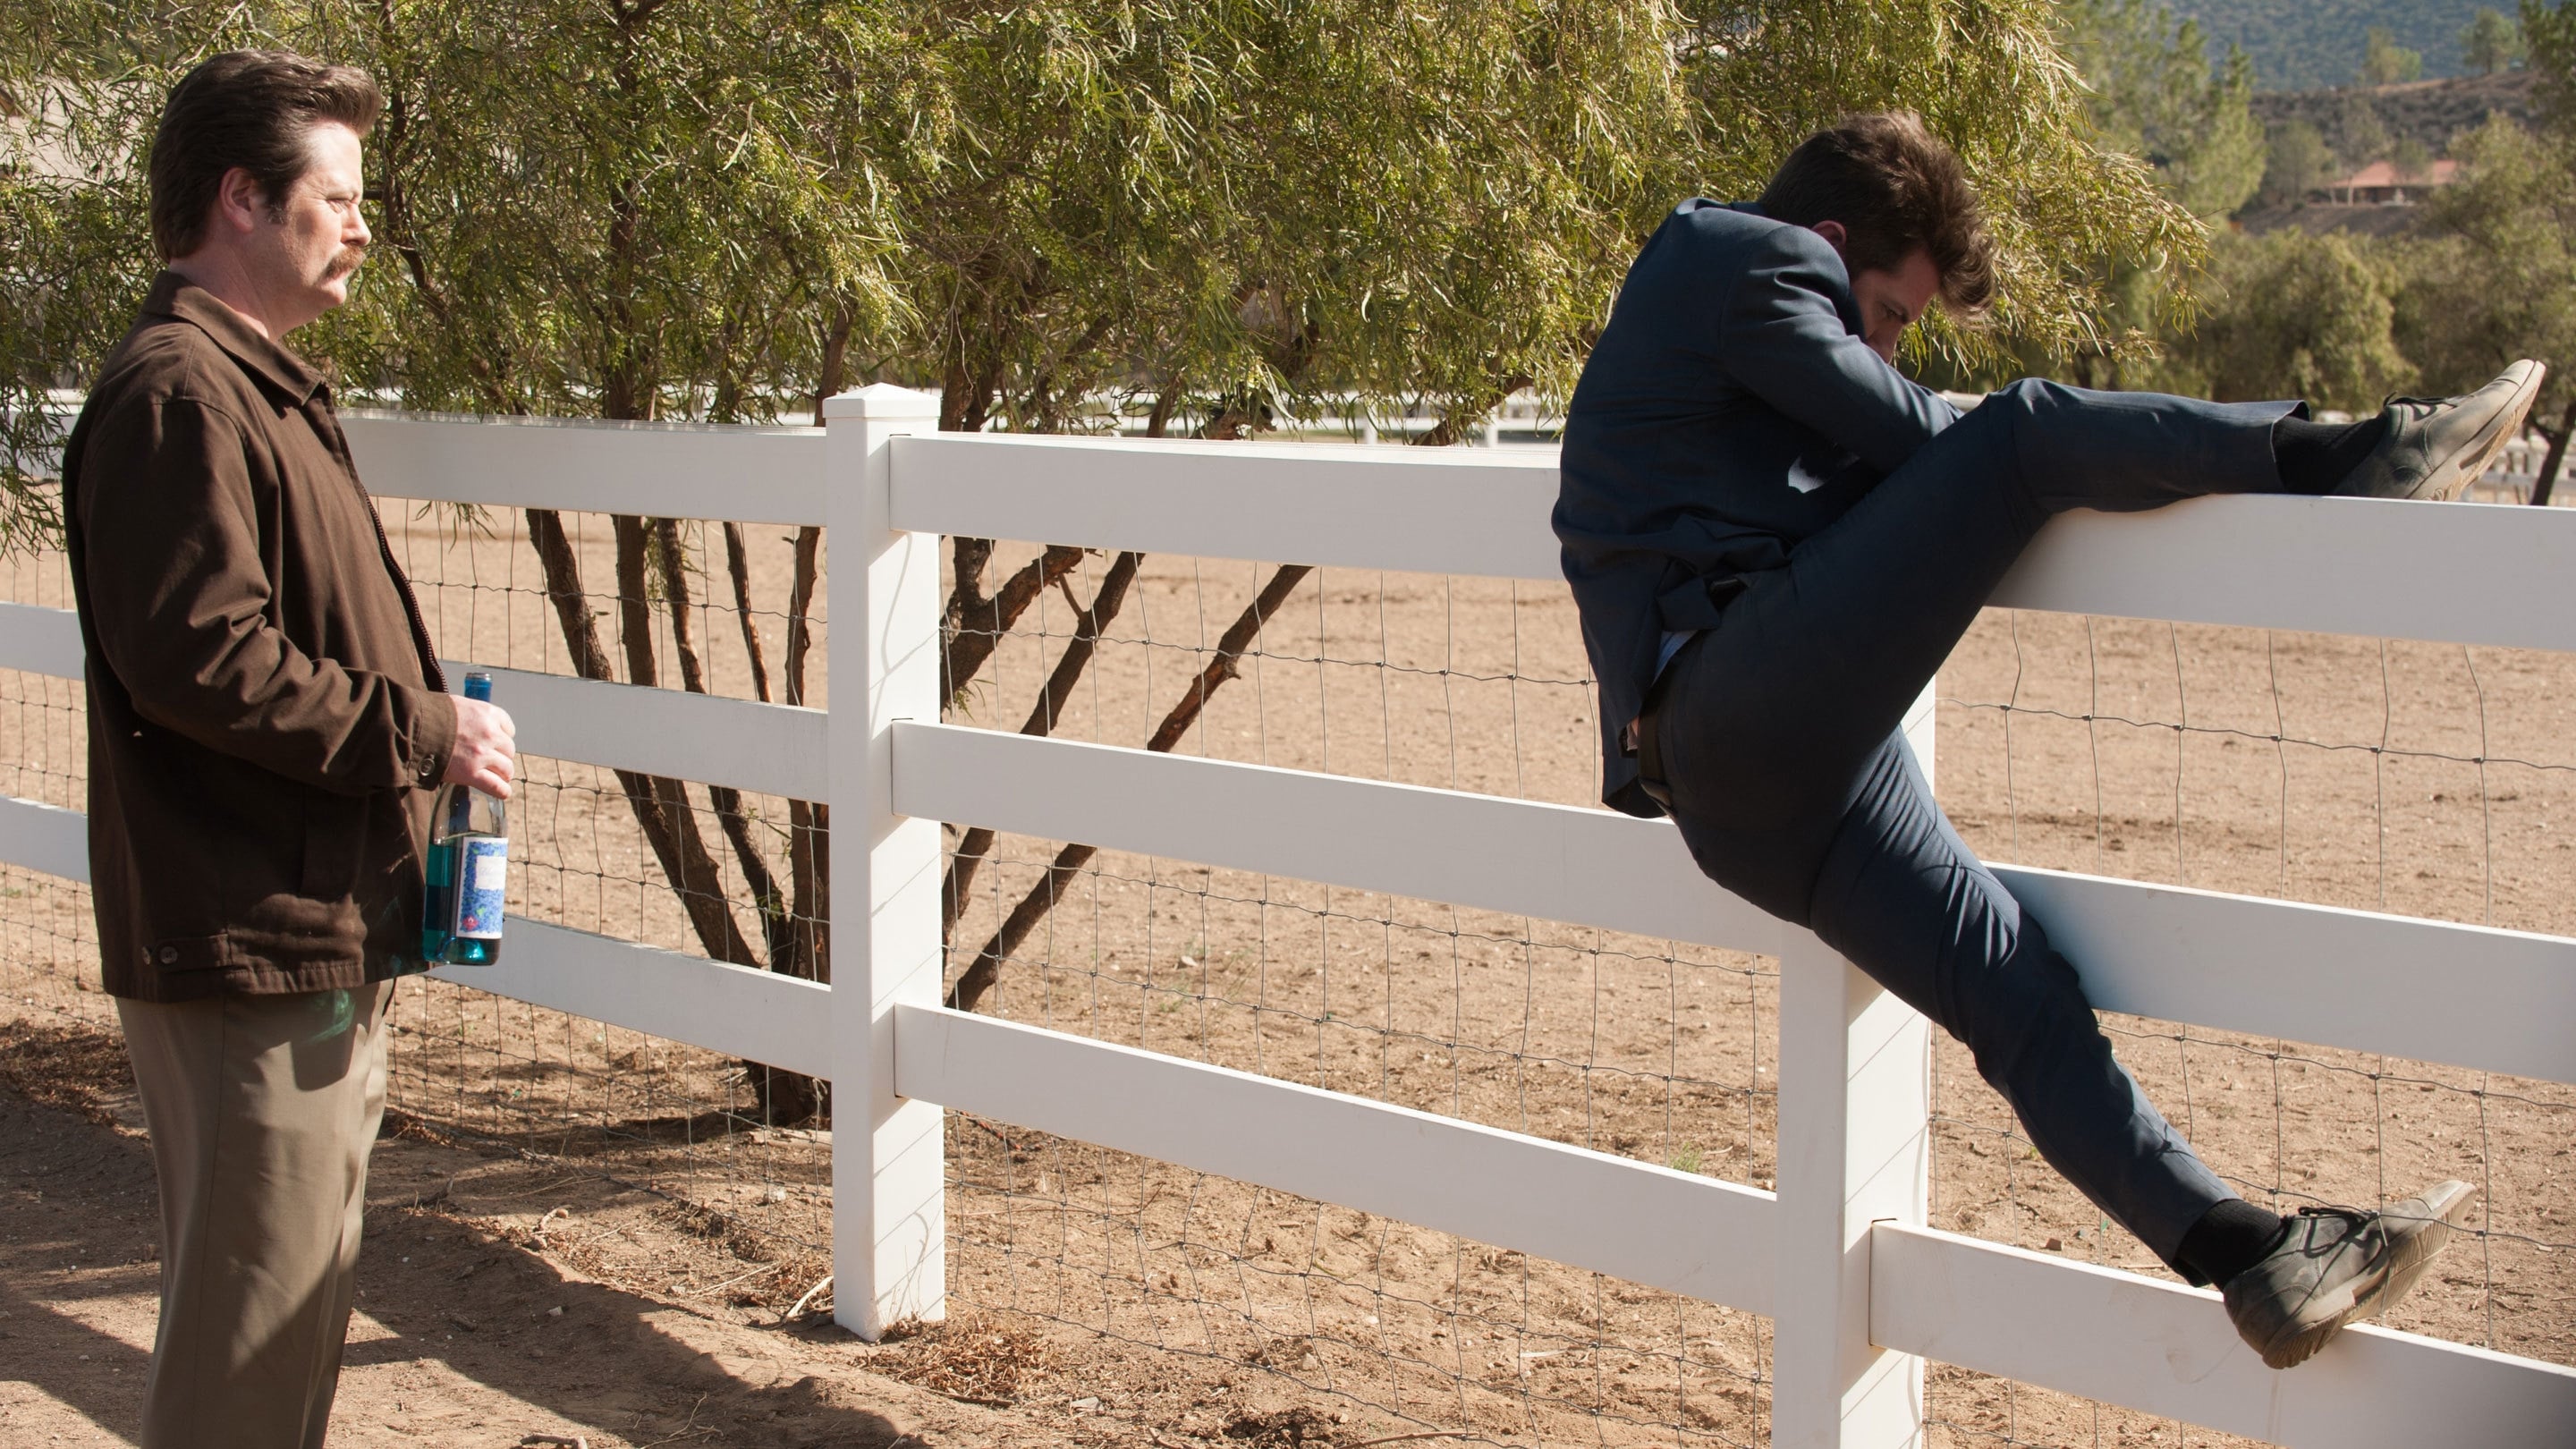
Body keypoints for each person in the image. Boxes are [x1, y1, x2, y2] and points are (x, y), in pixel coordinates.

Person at [1554, 112, 2541, 1371]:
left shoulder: (1728, 330)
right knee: (2019, 428)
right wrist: (2018, 441)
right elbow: (1939, 444)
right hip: (1743, 707)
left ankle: (2253, 1257)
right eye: (1889, 314)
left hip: (1750, 786)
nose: (1885, 343)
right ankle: (2354, 455)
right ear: (1832, 243)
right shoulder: (1744, 256)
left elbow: (1881, 473)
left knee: (2015, 987)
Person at [59, 51, 517, 1446]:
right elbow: (204, 661)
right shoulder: (181, 396)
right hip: (247, 936)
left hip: (307, 931)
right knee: (246, 1359)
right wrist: (426, 730)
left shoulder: (251, 389)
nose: (365, 227)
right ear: (242, 200)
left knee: (287, 1335)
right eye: (339, 195)